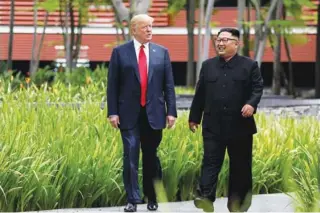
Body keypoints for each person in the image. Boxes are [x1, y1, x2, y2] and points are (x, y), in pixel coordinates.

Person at [107, 14, 177, 212]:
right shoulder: (120, 53)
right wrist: (113, 112)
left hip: (154, 114)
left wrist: (171, 112)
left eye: (151, 26)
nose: (149, 30)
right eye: (145, 27)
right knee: (130, 155)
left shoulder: (162, 52)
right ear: (134, 29)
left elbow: (168, 85)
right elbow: (112, 85)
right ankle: (132, 199)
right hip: (128, 113)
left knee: (151, 156)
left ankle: (152, 197)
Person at [188, 28, 263, 212]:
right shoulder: (208, 66)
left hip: (240, 126)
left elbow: (257, 88)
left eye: (225, 40)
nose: (220, 43)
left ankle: (238, 205)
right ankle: (205, 197)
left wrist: (251, 104)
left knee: (240, 167)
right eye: (218, 40)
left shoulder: (250, 65)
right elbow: (200, 94)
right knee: (210, 162)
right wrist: (194, 117)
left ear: (236, 43)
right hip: (213, 125)